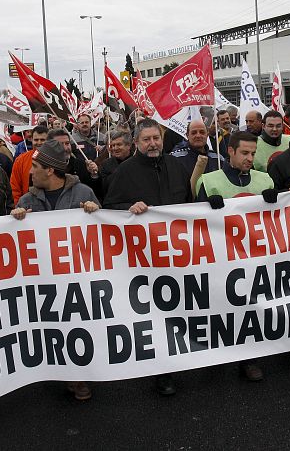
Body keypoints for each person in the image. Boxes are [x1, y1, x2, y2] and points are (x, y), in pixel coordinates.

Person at [103, 118, 192, 396]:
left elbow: (190, 205)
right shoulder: (125, 172)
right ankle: (162, 371)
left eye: (156, 138)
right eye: (147, 140)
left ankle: (184, 357)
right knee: (156, 314)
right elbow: (110, 208)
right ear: (137, 143)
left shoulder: (176, 167)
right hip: (144, 258)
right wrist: (129, 208)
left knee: (181, 309)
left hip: (178, 253)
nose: (153, 144)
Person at [195, 131, 290, 381]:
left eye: (253, 153)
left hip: (255, 256)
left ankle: (249, 358)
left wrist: (277, 199)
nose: (250, 158)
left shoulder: (264, 180)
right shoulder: (209, 180)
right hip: (221, 257)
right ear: (230, 152)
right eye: (245, 153)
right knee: (220, 308)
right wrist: (206, 206)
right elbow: (193, 224)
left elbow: (278, 219)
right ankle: (214, 353)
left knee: (251, 308)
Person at [11, 139, 100, 401]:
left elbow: (105, 232)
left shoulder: (83, 193)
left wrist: (95, 213)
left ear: (50, 170)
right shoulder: (28, 198)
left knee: (78, 324)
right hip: (43, 276)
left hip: (76, 274)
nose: (30, 171)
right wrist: (15, 220)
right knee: (51, 326)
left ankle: (79, 375)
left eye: (35, 166)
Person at [9, 125, 49, 204]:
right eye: (36, 140)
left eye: (42, 140)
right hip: (28, 208)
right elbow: (15, 186)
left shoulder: (56, 159)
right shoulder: (21, 160)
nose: (39, 143)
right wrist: (19, 206)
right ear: (31, 140)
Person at [98, 130, 133, 197]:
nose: (115, 148)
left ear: (128, 145)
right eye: (113, 145)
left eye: (119, 144)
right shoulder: (106, 165)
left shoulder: (138, 162)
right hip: (113, 203)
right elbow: (103, 188)